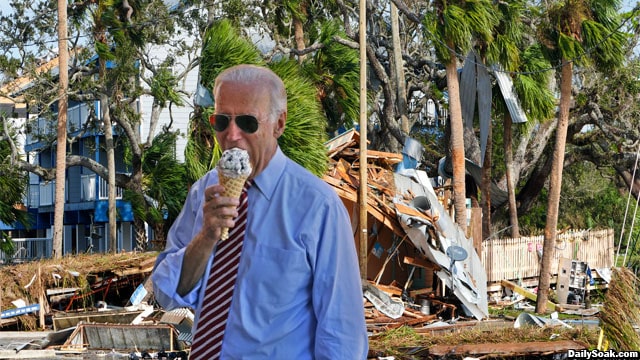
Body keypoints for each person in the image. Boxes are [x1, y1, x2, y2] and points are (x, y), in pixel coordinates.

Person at [151, 64, 368, 359]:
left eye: (247, 123)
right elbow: (167, 294)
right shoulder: (202, 193)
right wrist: (206, 237)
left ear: (279, 124)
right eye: (221, 121)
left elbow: (342, 332)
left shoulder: (318, 206)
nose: (232, 135)